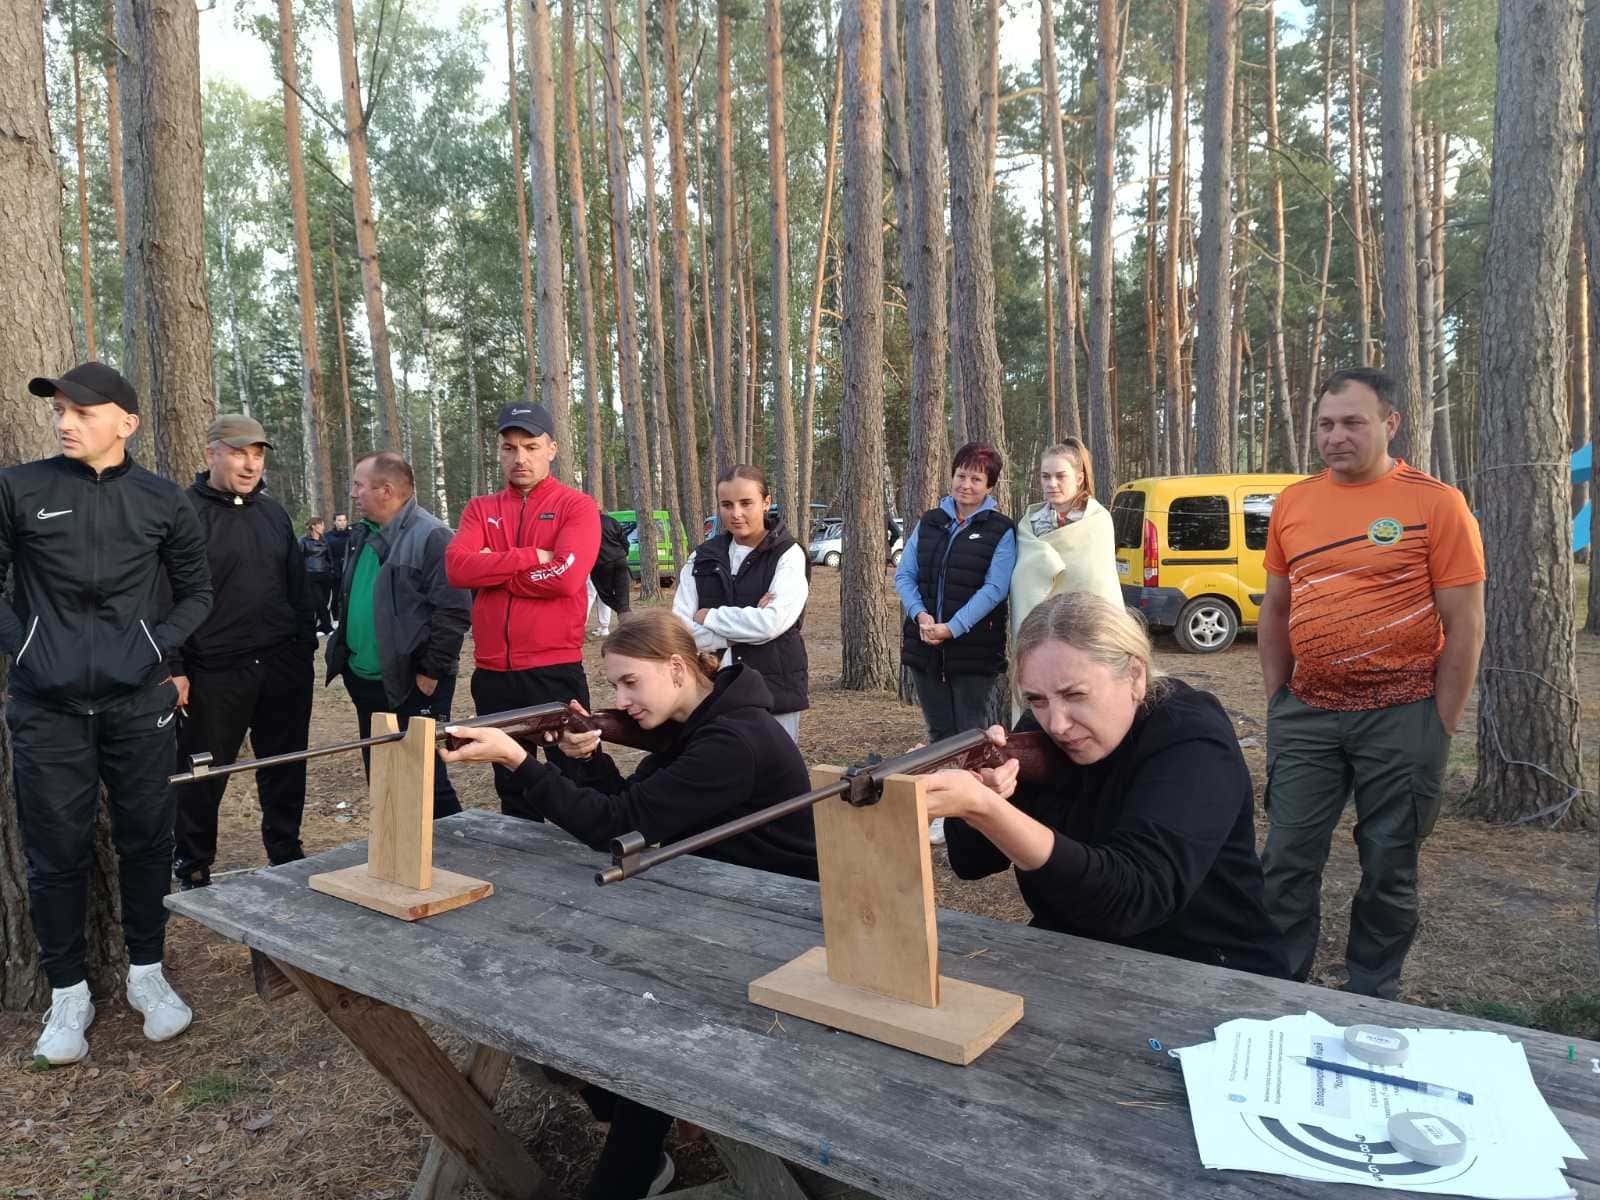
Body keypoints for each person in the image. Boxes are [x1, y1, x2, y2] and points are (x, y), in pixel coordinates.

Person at [440, 609, 817, 1198]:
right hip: (718, 903)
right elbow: (632, 809)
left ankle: (629, 1170)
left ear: (677, 668)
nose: (620, 699)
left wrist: (518, 760)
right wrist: (584, 758)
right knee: (565, 975)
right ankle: (618, 1112)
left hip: (784, 926)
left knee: (648, 1025)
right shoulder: (702, 724)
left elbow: (615, 825)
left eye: (629, 682)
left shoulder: (732, 741)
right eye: (615, 685)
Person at [1, 362, 213, 1064]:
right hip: (47, 707)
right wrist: (26, 647)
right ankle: (68, 993)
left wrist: (153, 645)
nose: (66, 423)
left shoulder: (162, 500)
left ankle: (147, 973)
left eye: (82, 412)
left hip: (137, 702)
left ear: (126, 422)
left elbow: (197, 591)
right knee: (54, 852)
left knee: (147, 840)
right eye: (60, 411)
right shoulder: (20, 488)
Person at [1257, 367, 1485, 999]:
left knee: (1389, 861)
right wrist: (1279, 700)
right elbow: (1275, 609)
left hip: (1402, 715)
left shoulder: (1436, 503)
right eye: (1325, 424)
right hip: (1307, 714)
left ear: (1391, 423)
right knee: (1286, 857)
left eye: (1353, 423)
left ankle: (1372, 989)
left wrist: (1439, 722)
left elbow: (1465, 626)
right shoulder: (1294, 502)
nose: (1336, 437)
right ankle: (1277, 984)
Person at [924, 592, 1289, 978]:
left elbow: (1134, 898)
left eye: (1075, 695)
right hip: (1074, 957)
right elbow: (972, 863)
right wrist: (981, 789)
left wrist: (986, 809)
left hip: (1211, 971)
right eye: (1037, 699)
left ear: (1135, 676)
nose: (1057, 723)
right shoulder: (1039, 734)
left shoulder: (1192, 738)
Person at [172, 415, 319, 891]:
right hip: (214, 669)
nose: (250, 464)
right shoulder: (183, 513)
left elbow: (297, 587)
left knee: (284, 764)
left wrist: (302, 650)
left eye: (257, 454)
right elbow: (164, 596)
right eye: (238, 453)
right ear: (211, 453)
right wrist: (175, 666)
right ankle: (193, 863)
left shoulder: (273, 513)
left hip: (281, 665)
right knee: (201, 772)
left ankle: (286, 850)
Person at [444, 403, 599, 816]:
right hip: (493, 674)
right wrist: (530, 556)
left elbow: (566, 577)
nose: (520, 458)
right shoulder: (481, 508)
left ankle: (585, 850)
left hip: (554, 668)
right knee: (512, 785)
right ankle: (521, 851)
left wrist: (492, 571)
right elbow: (457, 568)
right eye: (509, 447)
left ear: (552, 449)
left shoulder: (576, 506)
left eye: (531, 446)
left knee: (575, 775)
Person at [326, 451, 470, 817]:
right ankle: (393, 848)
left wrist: (430, 671)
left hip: (414, 682)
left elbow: (453, 610)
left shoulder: (432, 536)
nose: (353, 493)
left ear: (386, 490)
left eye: (359, 485)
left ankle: (452, 846)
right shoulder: (362, 534)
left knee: (426, 780)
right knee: (383, 776)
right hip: (366, 680)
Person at [894, 442, 1016, 843]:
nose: (966, 484)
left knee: (972, 734)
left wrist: (954, 627)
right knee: (939, 733)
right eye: (961, 475)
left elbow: (995, 588)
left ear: (989, 485)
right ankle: (943, 812)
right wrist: (921, 616)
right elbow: (905, 574)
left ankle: (978, 815)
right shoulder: (931, 522)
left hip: (974, 649)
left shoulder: (1001, 530)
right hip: (925, 645)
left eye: (976, 479)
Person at [674, 465, 811, 743]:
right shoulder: (702, 558)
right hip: (712, 690)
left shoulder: (788, 555)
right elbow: (679, 630)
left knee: (774, 767)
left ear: (766, 502)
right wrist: (739, 632)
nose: (736, 513)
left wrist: (709, 616)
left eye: (746, 503)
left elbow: (770, 624)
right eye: (727, 505)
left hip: (773, 689)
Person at [1009, 439, 1121, 648]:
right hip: (1038, 633)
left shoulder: (1097, 521)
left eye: (1060, 476)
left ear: (1079, 478)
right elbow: (1024, 585)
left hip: (1086, 633)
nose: (1052, 484)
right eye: (1045, 476)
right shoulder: (1029, 526)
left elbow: (1099, 583)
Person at [586, 510, 632, 636]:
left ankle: (625, 617)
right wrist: (624, 554)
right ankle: (627, 622)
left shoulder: (587, 523)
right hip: (620, 561)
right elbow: (624, 540)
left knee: (604, 594)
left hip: (602, 564)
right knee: (623, 598)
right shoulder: (611, 521)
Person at [299, 516, 336, 634]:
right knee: (319, 601)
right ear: (314, 526)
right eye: (321, 524)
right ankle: (327, 627)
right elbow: (298, 559)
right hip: (310, 575)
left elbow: (329, 557)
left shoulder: (325, 540)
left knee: (324, 601)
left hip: (325, 575)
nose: (323, 527)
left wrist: (331, 571)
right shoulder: (303, 541)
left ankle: (319, 626)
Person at [325, 512, 351, 623]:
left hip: (349, 568)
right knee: (336, 595)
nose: (342, 523)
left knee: (349, 594)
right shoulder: (328, 536)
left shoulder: (352, 535)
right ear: (334, 522)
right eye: (339, 520)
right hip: (335, 569)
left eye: (344, 520)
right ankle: (335, 619)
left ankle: (348, 618)